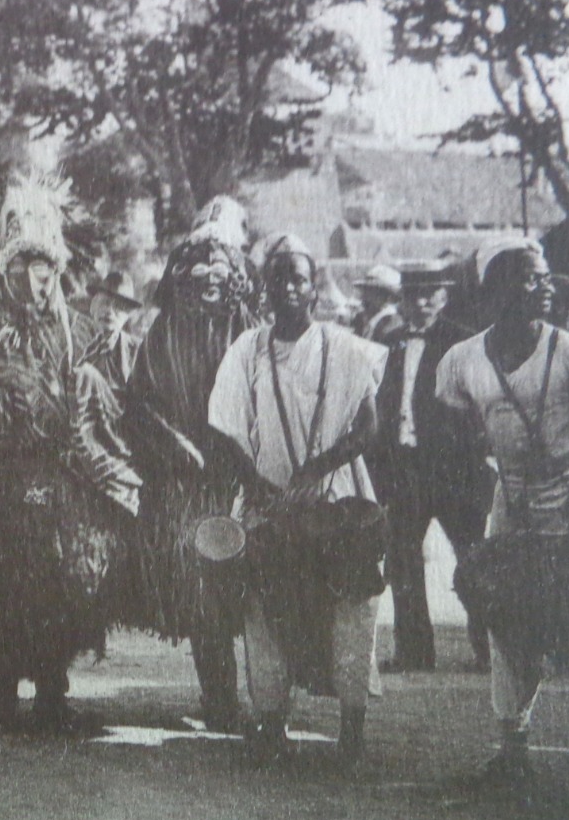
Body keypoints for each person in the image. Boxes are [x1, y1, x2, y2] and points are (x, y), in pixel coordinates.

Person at [0, 178, 140, 730]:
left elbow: (114, 401)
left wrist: (85, 397)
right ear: (4, 270)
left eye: (42, 266)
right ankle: (1, 695)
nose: (32, 278)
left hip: (63, 476)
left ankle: (52, 692)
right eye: (20, 266)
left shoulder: (82, 333)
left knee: (57, 587)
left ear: (58, 269)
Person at [208, 234, 385, 770]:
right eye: (278, 277)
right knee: (265, 608)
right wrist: (256, 484)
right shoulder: (247, 350)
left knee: (352, 607)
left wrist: (321, 466)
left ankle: (351, 729)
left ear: (314, 289)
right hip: (270, 500)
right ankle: (271, 722)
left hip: (338, 496)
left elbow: (369, 423)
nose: (289, 286)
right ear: (263, 289)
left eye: (299, 278)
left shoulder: (346, 347)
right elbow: (224, 427)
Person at [436, 238, 569, 795]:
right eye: (530, 279)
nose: (546, 287)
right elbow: (453, 432)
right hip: (512, 508)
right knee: (508, 631)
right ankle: (513, 751)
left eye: (547, 277)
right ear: (495, 292)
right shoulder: (462, 361)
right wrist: (481, 494)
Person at [124, 224, 262, 731]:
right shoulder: (163, 334)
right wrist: (177, 445)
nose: (210, 281)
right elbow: (138, 402)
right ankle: (221, 698)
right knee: (204, 587)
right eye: (198, 270)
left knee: (259, 589)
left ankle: (268, 698)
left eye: (219, 271)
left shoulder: (249, 331)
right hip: (186, 483)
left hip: (245, 476)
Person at [368, 260, 494, 673]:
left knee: (473, 557)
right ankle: (414, 651)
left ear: (443, 297)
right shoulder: (389, 342)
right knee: (403, 559)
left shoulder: (463, 343)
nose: (421, 302)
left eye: (430, 293)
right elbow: (380, 402)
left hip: (454, 470)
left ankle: (490, 649)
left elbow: (480, 406)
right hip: (405, 469)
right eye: (412, 294)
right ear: (401, 300)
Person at [80, 270, 142, 397]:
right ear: (94, 308)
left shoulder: (139, 350)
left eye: (118, 306)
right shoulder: (77, 343)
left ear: (127, 315)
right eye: (104, 303)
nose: (109, 311)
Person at [354, 265, 405, 342]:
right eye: (364, 290)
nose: (363, 296)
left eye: (371, 292)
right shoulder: (363, 319)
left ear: (388, 297)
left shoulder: (391, 322)